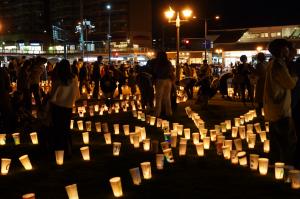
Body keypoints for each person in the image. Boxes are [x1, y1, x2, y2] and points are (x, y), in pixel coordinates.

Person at [263, 39, 298, 165]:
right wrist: (295, 75)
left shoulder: (275, 63)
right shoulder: (278, 64)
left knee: (277, 141)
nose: (290, 51)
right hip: (280, 109)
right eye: (288, 48)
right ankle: (286, 166)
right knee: (286, 141)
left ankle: (277, 166)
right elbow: (290, 83)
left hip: (275, 108)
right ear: (282, 49)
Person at [49, 59, 80, 157]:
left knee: (57, 129)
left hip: (57, 107)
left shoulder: (58, 79)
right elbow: (77, 94)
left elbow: (53, 96)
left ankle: (58, 149)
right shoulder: (74, 78)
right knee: (66, 128)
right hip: (68, 107)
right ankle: (68, 148)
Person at [152, 51, 175, 118]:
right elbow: (172, 71)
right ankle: (169, 112)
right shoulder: (168, 63)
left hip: (160, 80)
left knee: (158, 97)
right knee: (167, 97)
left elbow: (155, 71)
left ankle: (157, 113)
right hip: (168, 81)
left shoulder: (158, 63)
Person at [254, 52, 267, 117]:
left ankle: (260, 111)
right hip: (265, 81)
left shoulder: (259, 65)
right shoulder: (266, 64)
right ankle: (263, 110)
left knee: (260, 95)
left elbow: (257, 73)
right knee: (263, 95)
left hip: (261, 81)